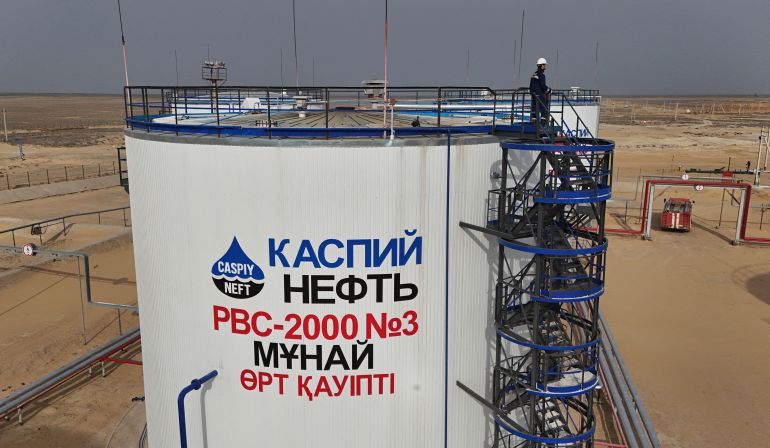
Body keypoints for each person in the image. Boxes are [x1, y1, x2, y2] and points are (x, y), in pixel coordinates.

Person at [530, 57, 551, 126]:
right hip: (539, 94)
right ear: (541, 65)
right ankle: (543, 122)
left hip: (533, 94)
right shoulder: (541, 75)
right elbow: (542, 86)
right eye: (544, 65)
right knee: (544, 106)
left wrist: (532, 92)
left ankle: (534, 121)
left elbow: (531, 85)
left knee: (534, 108)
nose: (545, 66)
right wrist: (549, 90)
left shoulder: (534, 74)